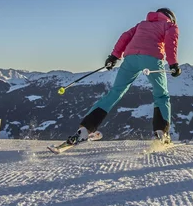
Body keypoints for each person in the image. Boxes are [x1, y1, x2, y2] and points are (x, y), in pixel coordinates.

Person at [66, 8, 181, 145]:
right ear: (171, 18)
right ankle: (161, 134)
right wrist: (173, 64)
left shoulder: (141, 25)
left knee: (115, 92)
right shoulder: (170, 25)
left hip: (130, 59)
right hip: (152, 59)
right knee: (161, 95)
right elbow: (171, 43)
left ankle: (85, 130)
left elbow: (125, 36)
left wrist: (114, 56)